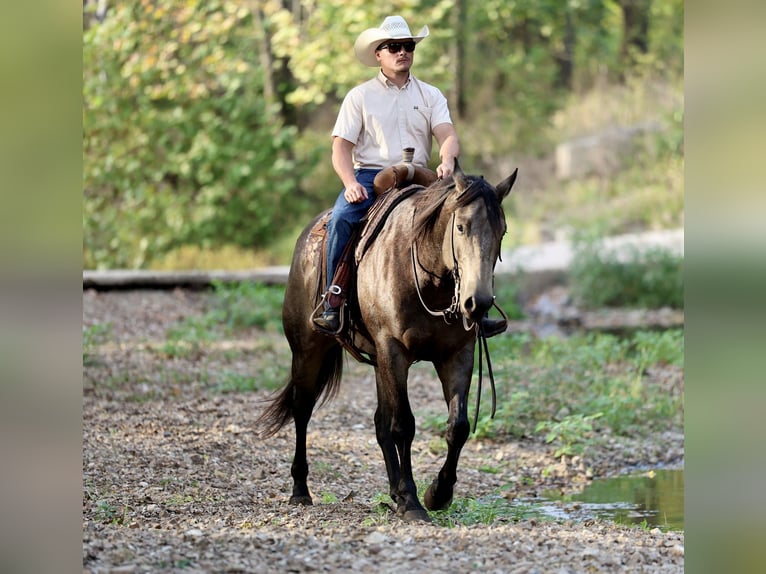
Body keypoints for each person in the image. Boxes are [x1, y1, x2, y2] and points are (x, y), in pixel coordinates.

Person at [313, 15, 506, 337]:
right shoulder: (359, 97)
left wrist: (447, 160)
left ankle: (478, 303)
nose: (402, 52)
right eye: (393, 47)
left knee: (472, 219)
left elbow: (447, 135)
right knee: (343, 218)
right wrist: (349, 185)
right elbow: (340, 149)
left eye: (408, 46)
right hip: (370, 175)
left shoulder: (430, 95)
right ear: (379, 54)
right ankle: (335, 298)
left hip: (423, 176)